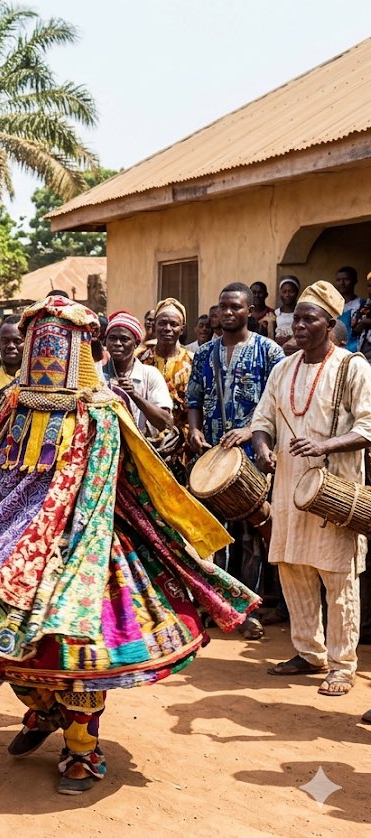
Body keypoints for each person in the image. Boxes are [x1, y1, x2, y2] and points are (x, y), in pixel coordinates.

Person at [0, 296, 258, 795]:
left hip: (93, 537)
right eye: (41, 341)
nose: (46, 353)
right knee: (1, 642)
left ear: (80, 347)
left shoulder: (101, 410)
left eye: (58, 343)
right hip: (11, 540)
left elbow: (114, 480)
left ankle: (83, 748)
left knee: (81, 652)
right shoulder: (12, 403)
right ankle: (41, 713)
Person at [251, 281, 371, 698]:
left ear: (330, 323)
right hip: (287, 487)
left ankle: (342, 664)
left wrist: (324, 445)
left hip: (334, 489)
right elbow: (261, 420)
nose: (298, 325)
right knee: (293, 569)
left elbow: (367, 426)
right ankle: (308, 652)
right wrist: (264, 449)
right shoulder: (282, 368)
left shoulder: (352, 367)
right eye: (296, 318)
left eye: (308, 318)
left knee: (338, 577)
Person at [187, 282, 284, 639]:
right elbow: (193, 399)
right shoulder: (204, 354)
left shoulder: (269, 352)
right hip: (212, 458)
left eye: (236, 307)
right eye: (223, 307)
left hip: (252, 460)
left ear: (249, 311)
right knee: (214, 535)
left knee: (251, 537)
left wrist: (251, 431)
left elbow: (277, 406)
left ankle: (248, 610)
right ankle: (217, 605)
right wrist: (195, 431)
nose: (228, 313)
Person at [138, 299, 192, 475]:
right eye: (162, 323)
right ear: (154, 326)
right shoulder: (140, 360)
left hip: (183, 446)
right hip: (146, 443)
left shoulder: (193, 361)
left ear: (182, 329)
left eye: (174, 324)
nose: (167, 328)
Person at [101, 311, 173, 435]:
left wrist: (134, 395)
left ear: (136, 344)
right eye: (112, 338)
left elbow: (165, 423)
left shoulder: (150, 374)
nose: (117, 343)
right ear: (105, 342)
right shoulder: (96, 373)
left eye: (124, 339)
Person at [334, 266, 366, 352]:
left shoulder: (362, 305)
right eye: (338, 280)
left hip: (356, 351)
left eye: (346, 279)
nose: (342, 283)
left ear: (354, 281)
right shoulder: (332, 305)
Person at [274, 276, 300, 348]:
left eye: (291, 291)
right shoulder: (275, 314)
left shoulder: (301, 313)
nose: (287, 295)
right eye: (284, 291)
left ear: (297, 292)